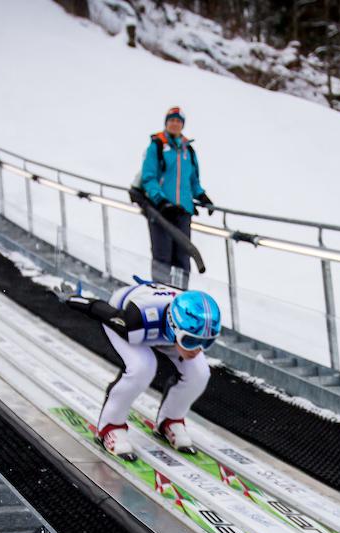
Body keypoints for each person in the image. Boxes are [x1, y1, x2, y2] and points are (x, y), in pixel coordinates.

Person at [68, 280, 222, 460]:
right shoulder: (136, 320)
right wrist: (75, 299)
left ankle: (170, 420)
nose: (198, 349)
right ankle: (110, 427)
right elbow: (102, 310)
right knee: (142, 367)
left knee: (200, 373)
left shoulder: (186, 324)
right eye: (191, 341)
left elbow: (191, 342)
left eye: (206, 342)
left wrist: (186, 342)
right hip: (132, 322)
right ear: (173, 327)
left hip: (166, 330)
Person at [139, 107, 213, 288]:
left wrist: (202, 196)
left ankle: (180, 295)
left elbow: (193, 180)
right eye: (171, 120)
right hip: (161, 211)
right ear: (166, 123)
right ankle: (159, 293)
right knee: (162, 256)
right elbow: (148, 177)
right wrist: (160, 200)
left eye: (178, 121)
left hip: (182, 211)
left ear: (182, 125)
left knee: (182, 256)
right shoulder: (156, 147)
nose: (175, 124)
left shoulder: (188, 151)